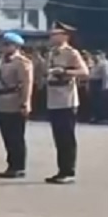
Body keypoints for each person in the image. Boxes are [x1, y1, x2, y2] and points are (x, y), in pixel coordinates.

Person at [45, 22, 88, 184]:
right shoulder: (51, 53)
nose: (52, 36)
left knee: (66, 137)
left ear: (65, 36)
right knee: (58, 137)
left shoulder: (71, 53)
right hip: (53, 98)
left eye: (55, 34)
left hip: (67, 99)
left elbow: (84, 72)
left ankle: (69, 171)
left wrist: (64, 72)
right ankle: (61, 170)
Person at [0, 32, 33, 178]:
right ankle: (11, 164)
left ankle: (19, 166)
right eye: (3, 44)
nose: (3, 47)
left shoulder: (22, 62)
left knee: (16, 136)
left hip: (14, 100)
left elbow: (27, 84)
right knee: (7, 136)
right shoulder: (1, 61)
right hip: (1, 101)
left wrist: (25, 102)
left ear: (16, 46)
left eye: (7, 44)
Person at [88, 50, 108, 123]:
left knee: (100, 101)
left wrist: (105, 86)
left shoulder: (104, 64)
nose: (95, 56)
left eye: (97, 55)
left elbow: (106, 75)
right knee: (94, 101)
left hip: (99, 83)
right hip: (93, 83)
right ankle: (96, 116)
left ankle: (101, 117)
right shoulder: (95, 64)